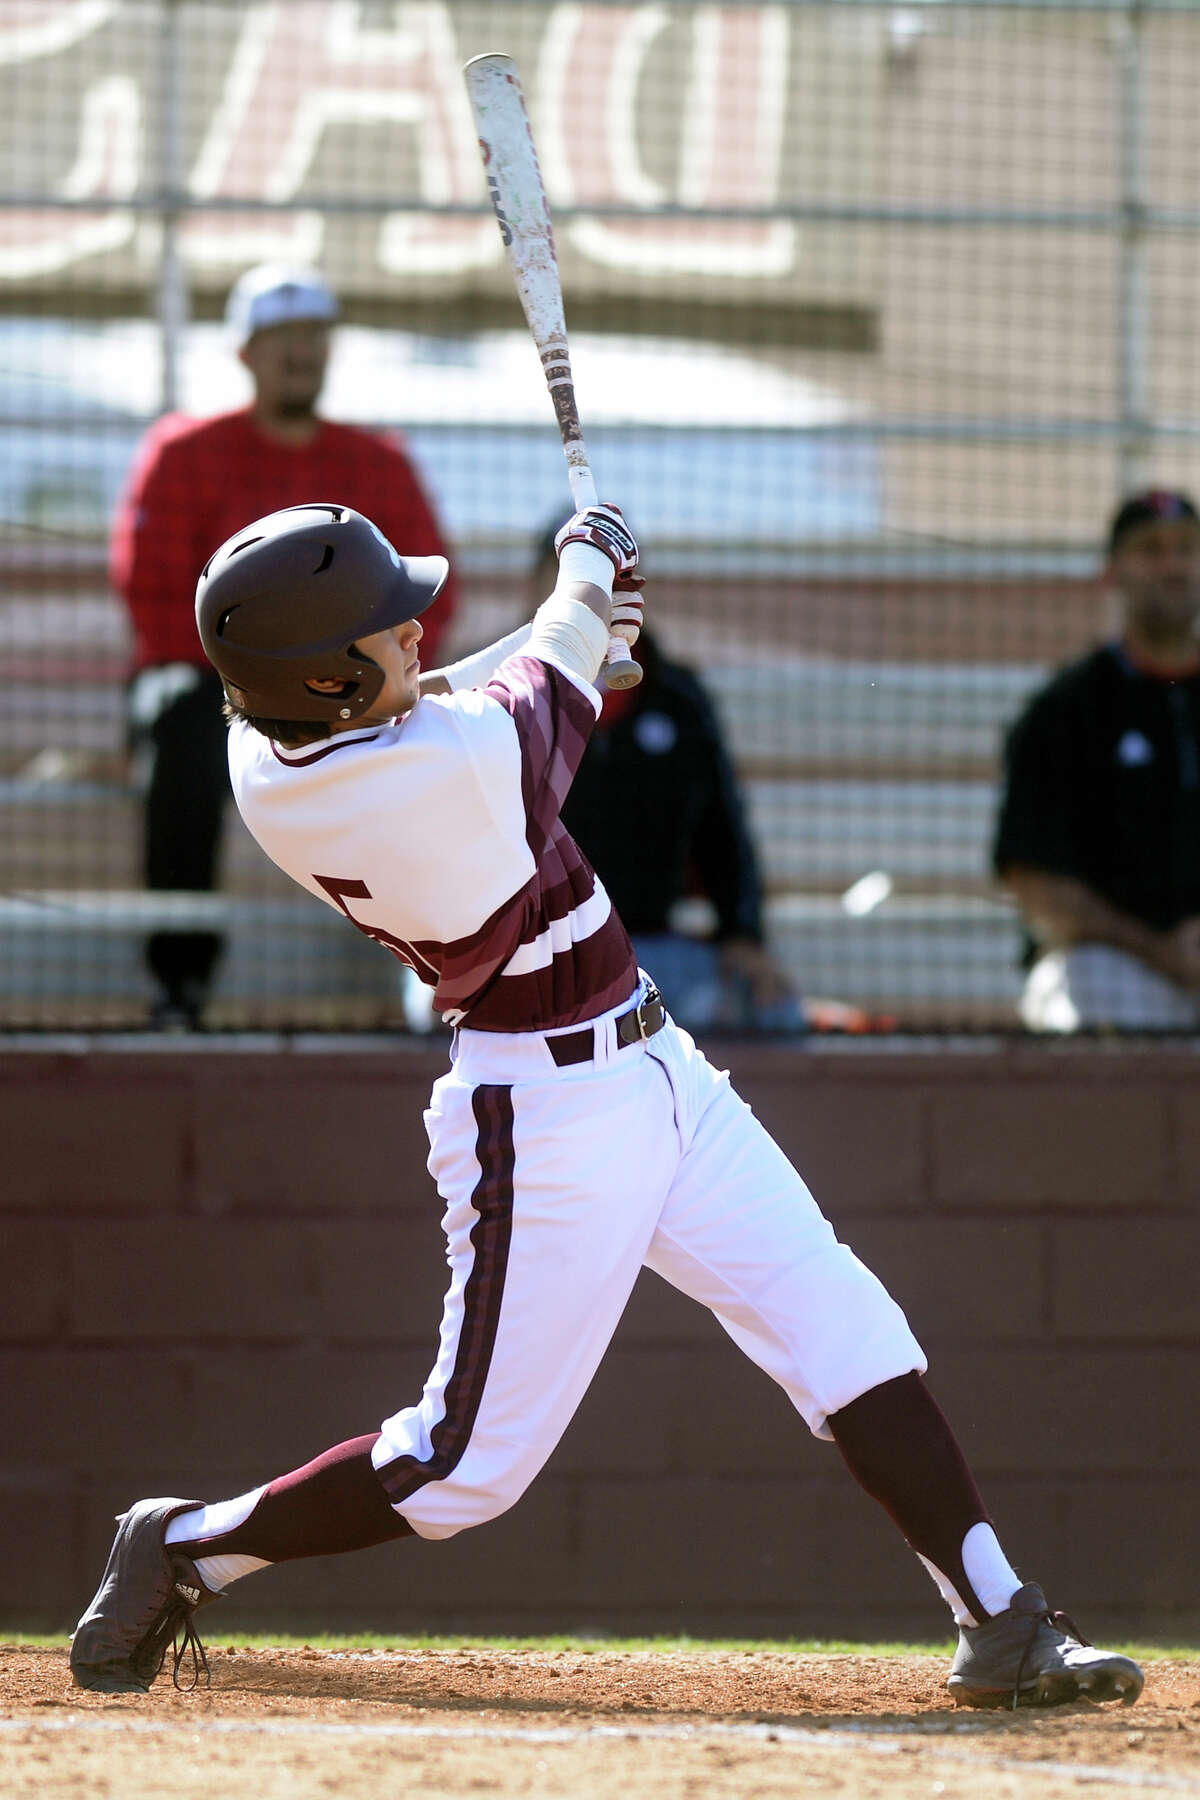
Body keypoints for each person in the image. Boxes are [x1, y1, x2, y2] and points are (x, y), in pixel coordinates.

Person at [70, 500, 1142, 1711]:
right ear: (322, 675)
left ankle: (1000, 1616)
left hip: (659, 1062)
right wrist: (591, 574)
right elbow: (529, 695)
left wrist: (571, 632)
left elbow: (482, 688)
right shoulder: (455, 771)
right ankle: (184, 1545)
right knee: (462, 1469)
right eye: (387, 623)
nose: (417, 628)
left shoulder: (270, 748)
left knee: (845, 1324)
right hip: (544, 1117)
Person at [110, 263, 459, 1029]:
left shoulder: (381, 463)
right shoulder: (184, 453)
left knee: (437, 735)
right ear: (245, 353)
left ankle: (437, 964)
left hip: (348, 681)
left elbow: (430, 586)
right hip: (211, 686)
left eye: (313, 337)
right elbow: (151, 595)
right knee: (175, 723)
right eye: (281, 339)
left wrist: (345, 669)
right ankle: (181, 982)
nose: (299, 354)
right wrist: (262, 676)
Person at [515, 523, 801, 1034]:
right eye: (573, 584)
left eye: (607, 584)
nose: (591, 601)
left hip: (649, 951)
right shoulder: (494, 697)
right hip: (528, 951)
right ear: (539, 591)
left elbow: (722, 828)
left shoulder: (679, 699)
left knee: (773, 1009)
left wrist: (743, 934)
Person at [994, 488, 1200, 1032]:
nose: (1172, 565)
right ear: (1112, 573)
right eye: (1151, 550)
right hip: (1118, 965)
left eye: (1186, 548)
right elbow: (1032, 881)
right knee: (1088, 986)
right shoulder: (1068, 707)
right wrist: (1161, 949)